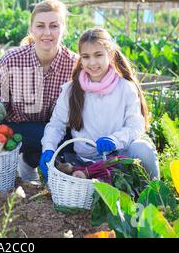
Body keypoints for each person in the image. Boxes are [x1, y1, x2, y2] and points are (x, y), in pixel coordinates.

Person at [39, 27, 160, 182]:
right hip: (86, 161)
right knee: (81, 183)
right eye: (86, 57)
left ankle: (155, 193)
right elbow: (56, 124)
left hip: (121, 156)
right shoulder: (71, 90)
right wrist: (48, 148)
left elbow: (135, 126)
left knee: (142, 149)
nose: (92, 62)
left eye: (98, 55)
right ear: (80, 59)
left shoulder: (125, 88)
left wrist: (114, 140)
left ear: (109, 55)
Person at [0, 0, 78, 184]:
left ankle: (29, 160)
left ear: (63, 29)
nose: (47, 33)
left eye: (54, 26)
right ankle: (28, 157)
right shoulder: (12, 60)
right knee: (44, 136)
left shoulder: (74, 64)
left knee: (75, 143)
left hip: (57, 130)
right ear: (32, 29)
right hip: (19, 131)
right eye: (40, 26)